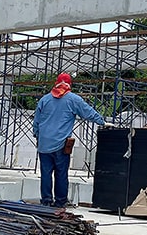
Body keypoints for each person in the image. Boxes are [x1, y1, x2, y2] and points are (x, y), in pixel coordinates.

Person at [32, 73, 107, 208]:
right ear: (69, 84)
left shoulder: (45, 99)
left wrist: (38, 137)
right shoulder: (73, 99)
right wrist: (102, 121)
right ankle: (60, 202)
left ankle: (46, 201)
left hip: (44, 143)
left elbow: (36, 122)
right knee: (61, 174)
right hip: (60, 143)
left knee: (46, 174)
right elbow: (87, 112)